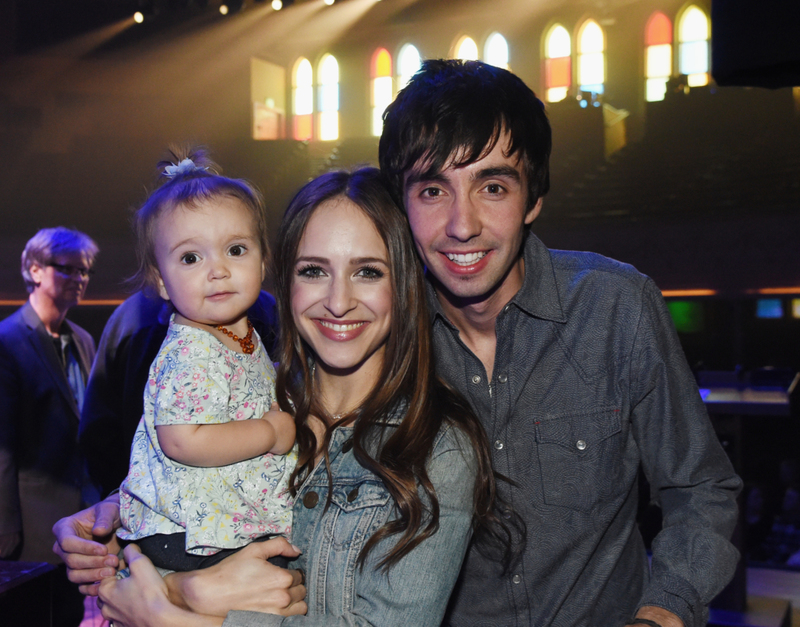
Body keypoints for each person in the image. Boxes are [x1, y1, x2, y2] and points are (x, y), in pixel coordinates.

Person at [377, 59, 741, 627]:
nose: (462, 223)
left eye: (492, 186)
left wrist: (662, 612)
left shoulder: (617, 306)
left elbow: (700, 487)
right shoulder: (381, 338)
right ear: (402, 207)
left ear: (534, 198)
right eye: (432, 189)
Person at [54, 167, 501, 626]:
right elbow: (190, 478)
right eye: (313, 271)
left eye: (368, 271)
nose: (338, 301)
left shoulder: (437, 447)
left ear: (404, 285)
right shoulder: (253, 394)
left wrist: (174, 612)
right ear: (284, 279)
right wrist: (109, 517)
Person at [113, 148, 296, 573]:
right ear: (160, 280)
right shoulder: (190, 351)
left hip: (219, 524)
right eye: (191, 258)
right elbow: (183, 440)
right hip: (190, 534)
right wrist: (268, 432)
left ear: (264, 260)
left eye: (235, 249)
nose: (217, 270)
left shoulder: (239, 334)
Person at [79, 289, 280, 498]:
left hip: (160, 498)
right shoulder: (261, 305)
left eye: (236, 252)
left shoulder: (126, 315)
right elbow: (98, 428)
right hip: (233, 501)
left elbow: (96, 427)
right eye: (190, 259)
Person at [0, 226, 98, 626]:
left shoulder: (83, 339)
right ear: (35, 270)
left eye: (85, 271)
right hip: (30, 523)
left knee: (70, 615)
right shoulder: (8, 340)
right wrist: (5, 524)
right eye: (68, 269)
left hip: (79, 520)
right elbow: (2, 444)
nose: (80, 279)